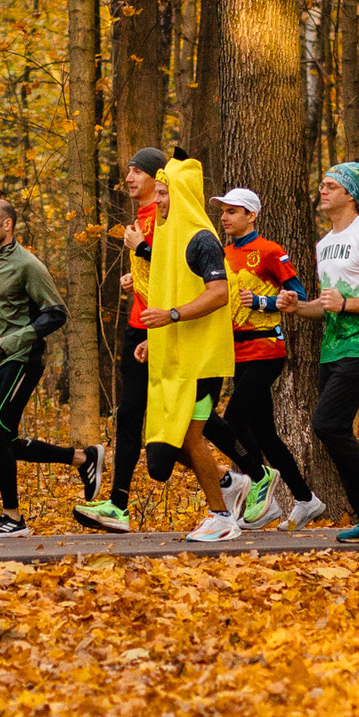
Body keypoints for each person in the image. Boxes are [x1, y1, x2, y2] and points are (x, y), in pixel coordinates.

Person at [0, 197, 102, 535]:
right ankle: (83, 458)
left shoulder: (28, 264)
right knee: (7, 440)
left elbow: (56, 313)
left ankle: (13, 518)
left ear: (7, 225)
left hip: (24, 359)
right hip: (1, 359)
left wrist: (17, 339)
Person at [278, 162, 359, 545]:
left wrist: (348, 304)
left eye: (331, 186)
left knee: (327, 425)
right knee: (330, 430)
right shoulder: (324, 243)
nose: (323, 190)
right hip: (332, 349)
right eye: (322, 184)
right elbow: (328, 303)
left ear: (350, 194)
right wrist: (299, 307)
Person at [129, 155, 243, 540]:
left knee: (192, 437)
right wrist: (153, 337)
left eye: (163, 193)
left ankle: (222, 518)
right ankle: (229, 481)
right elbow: (169, 294)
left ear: (180, 195)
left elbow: (219, 294)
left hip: (203, 362)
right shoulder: (167, 238)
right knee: (164, 454)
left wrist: (172, 317)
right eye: (157, 193)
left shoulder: (202, 239)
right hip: (173, 360)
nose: (157, 200)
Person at [201, 188, 324, 527]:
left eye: (233, 211)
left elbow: (297, 297)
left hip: (266, 347)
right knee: (265, 433)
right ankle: (306, 498)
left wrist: (261, 301)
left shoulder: (270, 251)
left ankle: (259, 484)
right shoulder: (222, 253)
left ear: (251, 215)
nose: (225, 217)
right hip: (234, 351)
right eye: (223, 211)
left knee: (233, 421)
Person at [77, 148, 168, 532]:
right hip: (138, 325)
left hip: (161, 328)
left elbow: (176, 268)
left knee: (186, 419)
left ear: (156, 178)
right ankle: (118, 504)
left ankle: (242, 475)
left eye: (137, 171)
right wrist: (135, 278)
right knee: (130, 416)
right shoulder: (141, 216)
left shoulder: (164, 217)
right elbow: (156, 271)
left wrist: (140, 250)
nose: (129, 177)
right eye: (128, 170)